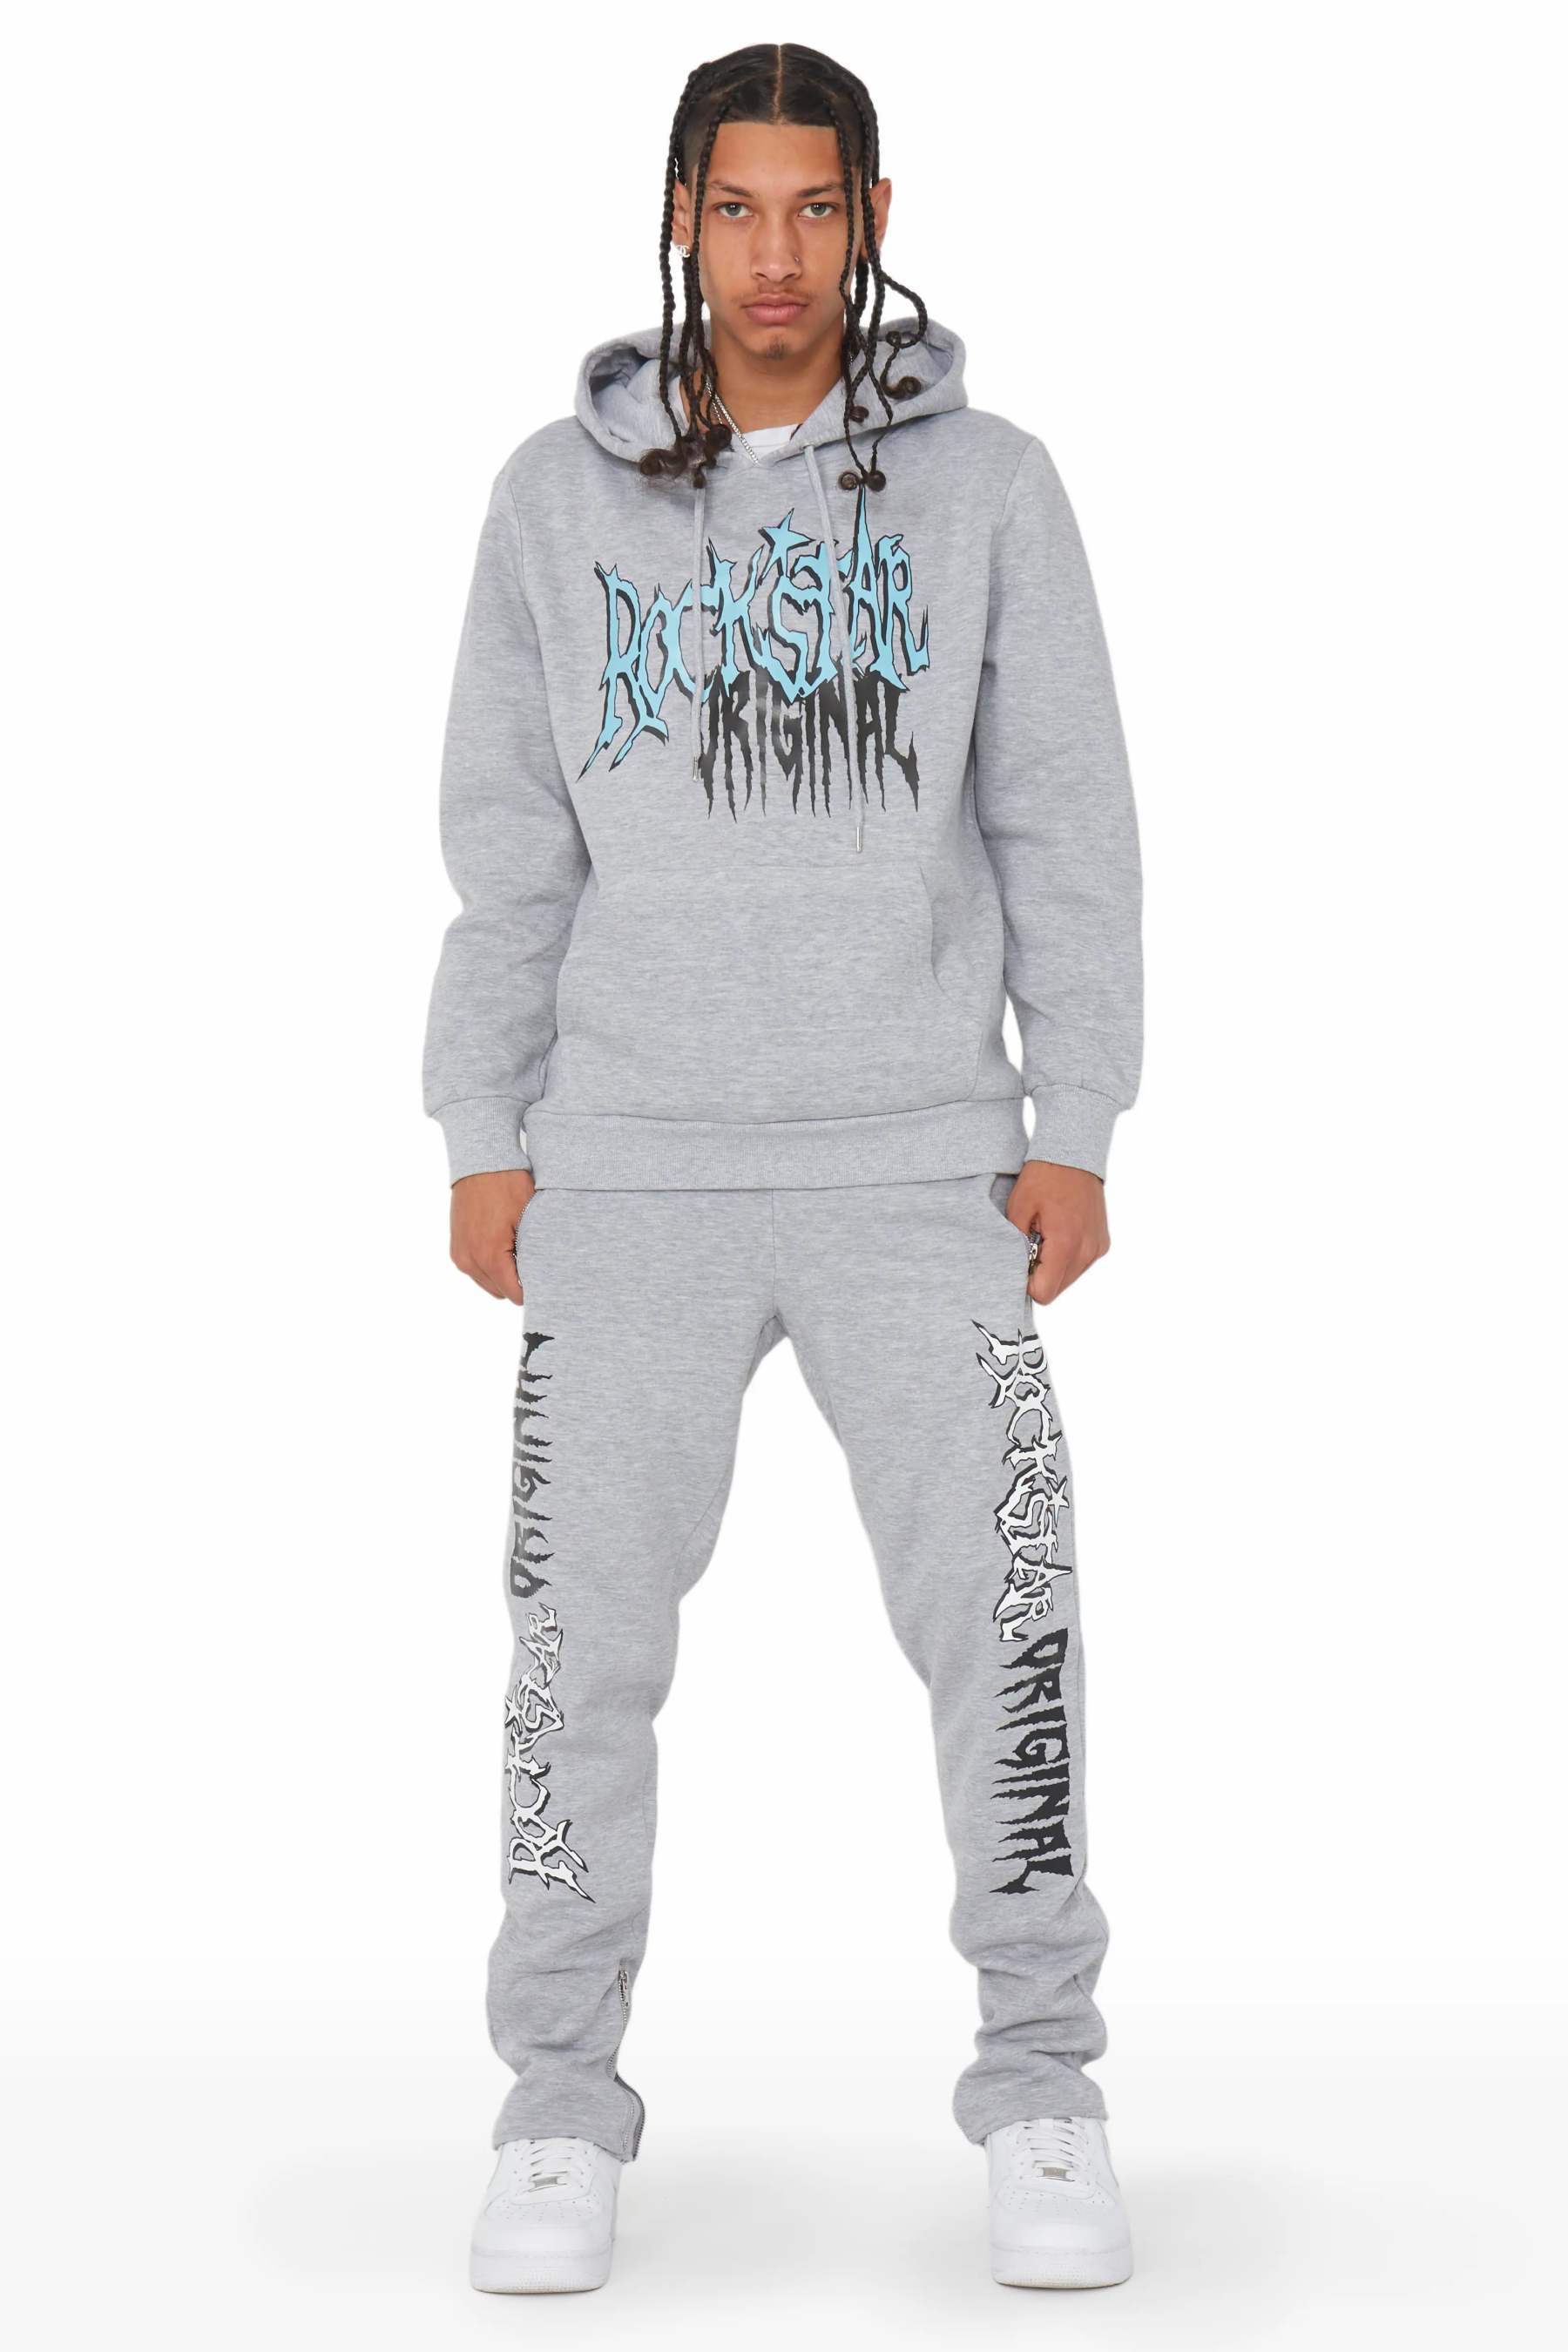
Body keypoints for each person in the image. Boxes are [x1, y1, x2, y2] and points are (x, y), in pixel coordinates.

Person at [423, 42, 1143, 2296]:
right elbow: (507, 842)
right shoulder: (552, 499)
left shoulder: (991, 489)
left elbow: (1064, 818)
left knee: (1007, 1621)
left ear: (874, 219)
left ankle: (1044, 2079)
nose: (773, 258)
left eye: (814, 210)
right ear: (679, 218)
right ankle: (558, 2103)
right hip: (625, 1167)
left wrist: (1076, 1120)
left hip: (919, 1160)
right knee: (576, 1654)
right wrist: (482, 1124)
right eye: (733, 209)